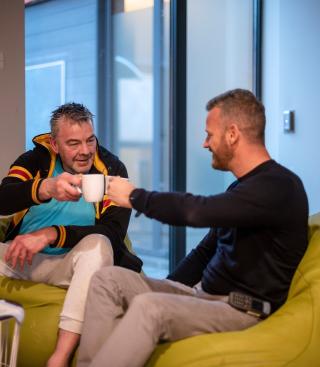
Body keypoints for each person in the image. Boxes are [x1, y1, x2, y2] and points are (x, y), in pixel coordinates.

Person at [77, 89, 309, 367]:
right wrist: (163, 286)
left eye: (210, 134)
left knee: (150, 308)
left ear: (232, 134)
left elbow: (196, 211)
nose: (205, 143)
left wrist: (135, 197)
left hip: (241, 308)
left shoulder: (278, 186)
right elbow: (204, 252)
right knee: (108, 281)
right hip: (203, 295)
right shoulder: (242, 188)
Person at [0, 102, 142, 367]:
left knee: (98, 244)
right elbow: (3, 200)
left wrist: (53, 234)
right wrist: (46, 188)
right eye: (74, 143)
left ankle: (60, 356)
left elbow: (113, 232)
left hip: (75, 267)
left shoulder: (111, 169)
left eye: (90, 140)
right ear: (54, 144)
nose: (85, 151)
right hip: (25, 259)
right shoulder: (33, 161)